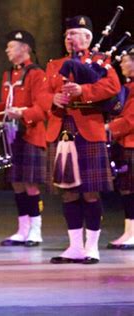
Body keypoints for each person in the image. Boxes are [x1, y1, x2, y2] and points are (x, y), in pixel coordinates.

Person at [45, 16, 121, 264]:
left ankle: (92, 247)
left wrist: (83, 91)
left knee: (90, 192)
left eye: (75, 33)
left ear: (88, 37)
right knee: (68, 192)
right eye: (67, 34)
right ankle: (75, 247)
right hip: (61, 130)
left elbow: (113, 87)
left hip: (88, 130)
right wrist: (53, 100)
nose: (69, 38)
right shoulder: (54, 64)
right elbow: (43, 95)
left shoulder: (101, 61)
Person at [0, 30, 50, 247]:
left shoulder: (36, 74)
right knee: (16, 184)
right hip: (12, 136)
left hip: (30, 134)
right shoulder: (8, 75)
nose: (7, 50)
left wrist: (22, 113)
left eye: (11, 46)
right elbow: (8, 103)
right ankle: (22, 230)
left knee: (31, 185)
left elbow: (42, 109)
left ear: (25, 48)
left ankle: (36, 230)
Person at [107, 45, 134, 249]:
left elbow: (131, 119)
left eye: (126, 60)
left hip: (132, 143)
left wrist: (108, 127)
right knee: (126, 190)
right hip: (125, 143)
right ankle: (129, 231)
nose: (122, 64)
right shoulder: (127, 87)